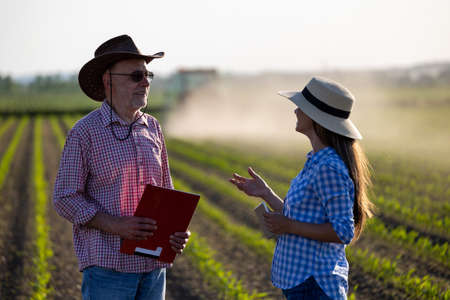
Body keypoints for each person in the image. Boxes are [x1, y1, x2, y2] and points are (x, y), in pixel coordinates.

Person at [53, 34, 190, 300]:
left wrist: (177, 231)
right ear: (108, 81)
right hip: (109, 270)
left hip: (153, 268)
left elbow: (167, 193)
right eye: (135, 76)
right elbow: (65, 198)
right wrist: (116, 225)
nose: (145, 83)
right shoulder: (85, 133)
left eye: (147, 76)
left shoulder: (153, 127)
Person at [229, 77, 374, 300]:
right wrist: (266, 193)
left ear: (316, 118)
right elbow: (304, 214)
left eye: (302, 107)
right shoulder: (316, 160)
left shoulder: (328, 167)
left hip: (315, 284)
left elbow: (343, 232)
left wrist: (289, 225)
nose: (296, 111)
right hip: (304, 282)